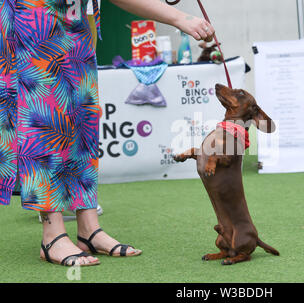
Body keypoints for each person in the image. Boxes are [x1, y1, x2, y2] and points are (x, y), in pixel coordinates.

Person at [0, 0, 214, 266]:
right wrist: (179, 18)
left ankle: (89, 229)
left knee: (83, 117)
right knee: (45, 121)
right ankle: (52, 235)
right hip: (33, 15)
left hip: (73, 16)